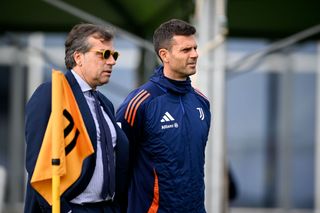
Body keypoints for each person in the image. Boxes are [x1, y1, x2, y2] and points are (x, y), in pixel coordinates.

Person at [24, 23, 129, 213]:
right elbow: (37, 165)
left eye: (114, 55)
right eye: (103, 54)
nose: (112, 61)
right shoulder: (51, 93)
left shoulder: (105, 103)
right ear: (78, 57)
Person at [116, 19, 211, 212]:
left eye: (195, 48)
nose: (195, 55)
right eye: (186, 50)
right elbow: (118, 165)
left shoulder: (201, 102)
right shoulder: (140, 103)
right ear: (164, 55)